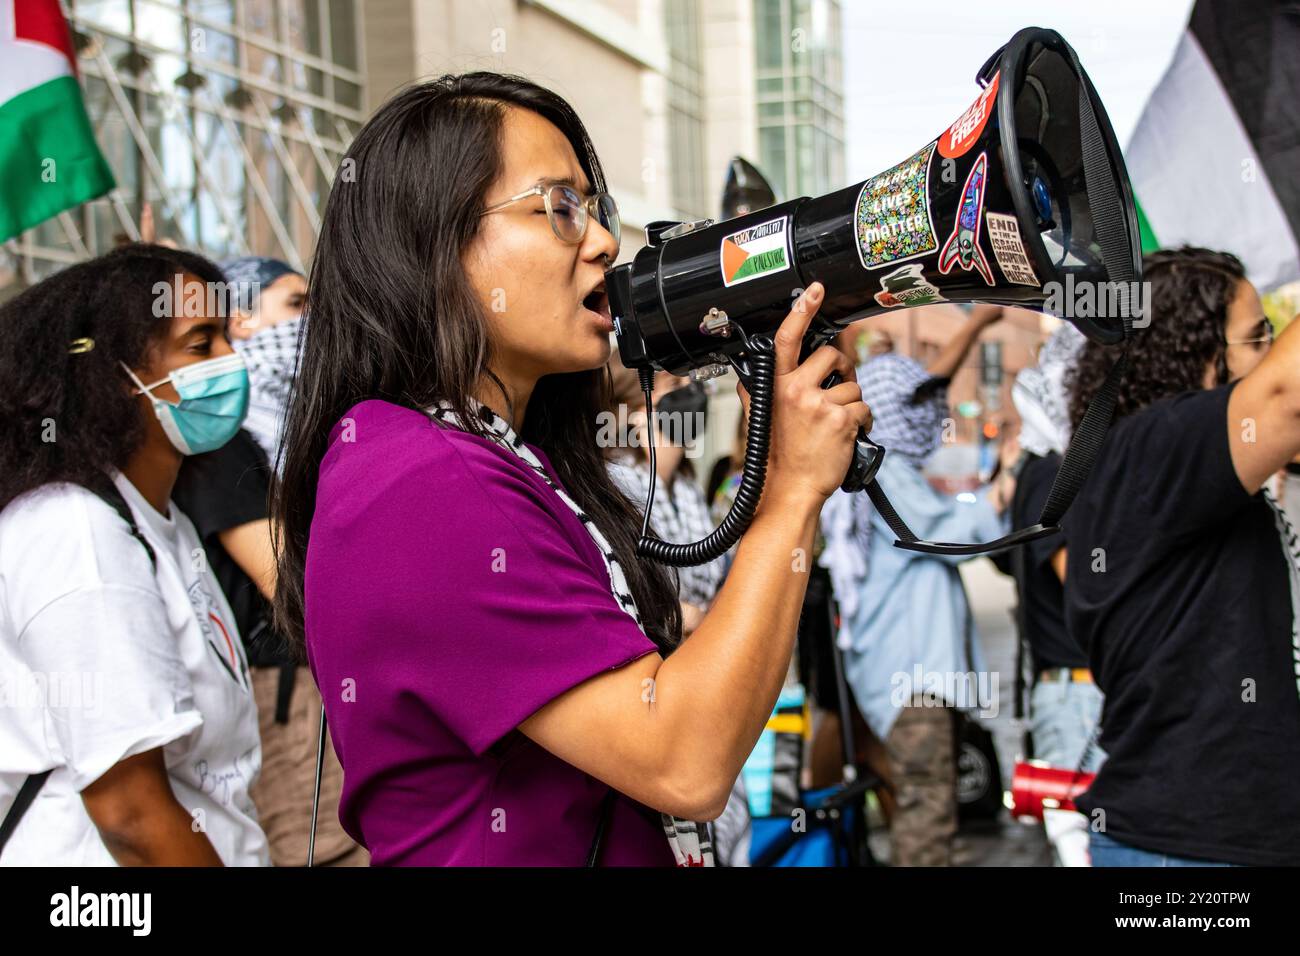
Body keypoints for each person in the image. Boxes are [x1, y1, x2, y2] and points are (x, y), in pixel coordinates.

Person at [271, 73, 871, 866]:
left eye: (595, 209)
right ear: (435, 242)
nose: (602, 243)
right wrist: (791, 493)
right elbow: (683, 759)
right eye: (559, 208)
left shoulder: (491, 453)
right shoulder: (420, 478)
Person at [0, 245, 269, 865]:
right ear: (114, 376)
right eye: (201, 345)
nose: (232, 362)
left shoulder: (158, 521)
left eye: (227, 337)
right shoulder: (76, 531)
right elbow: (131, 815)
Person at [1063, 247, 1300, 867]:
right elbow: (1289, 396)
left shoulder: (1153, 461)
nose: (1271, 352)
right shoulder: (1155, 446)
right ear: (1196, 354)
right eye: (1256, 338)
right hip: (1188, 850)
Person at [171, 257, 366, 867]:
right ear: (245, 322)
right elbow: (286, 580)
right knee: (323, 851)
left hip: (319, 683)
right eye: (295, 305)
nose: (311, 322)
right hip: (284, 690)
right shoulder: (222, 440)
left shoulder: (296, 429)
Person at [817, 304, 1010, 866]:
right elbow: (942, 536)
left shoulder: (877, 465)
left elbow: (925, 385)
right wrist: (998, 494)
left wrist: (974, 327)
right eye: (918, 406)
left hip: (906, 677)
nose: (931, 415)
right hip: (912, 682)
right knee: (927, 816)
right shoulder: (886, 471)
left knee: (920, 807)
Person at [1007, 321, 1101, 866]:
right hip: (1076, 697)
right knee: (1083, 851)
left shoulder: (1044, 471)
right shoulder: (1049, 476)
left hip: (1078, 695)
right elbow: (1090, 588)